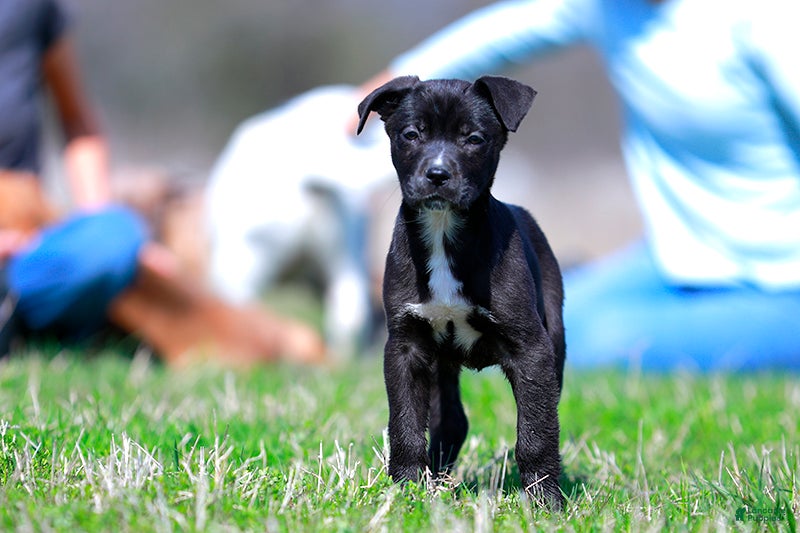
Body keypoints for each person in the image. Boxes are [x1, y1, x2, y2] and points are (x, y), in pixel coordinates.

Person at [353, 0, 800, 371]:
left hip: (782, 279)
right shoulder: (612, 8)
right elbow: (502, 31)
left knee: (598, 342)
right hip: (679, 257)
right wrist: (379, 86)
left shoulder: (763, 18)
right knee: (547, 317)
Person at [0, 0, 325, 366]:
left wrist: (106, 230)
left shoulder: (29, 9)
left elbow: (78, 126)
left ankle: (46, 317)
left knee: (114, 237)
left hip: (32, 253)